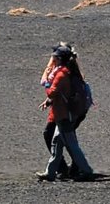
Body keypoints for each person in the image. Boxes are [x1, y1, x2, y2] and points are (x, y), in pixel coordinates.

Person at [36, 46, 94, 182]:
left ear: (59, 59)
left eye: (55, 57)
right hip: (64, 115)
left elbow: (52, 92)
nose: (53, 59)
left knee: (71, 145)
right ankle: (50, 173)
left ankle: (86, 171)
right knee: (56, 142)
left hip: (63, 115)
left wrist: (47, 83)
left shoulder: (61, 74)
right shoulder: (69, 72)